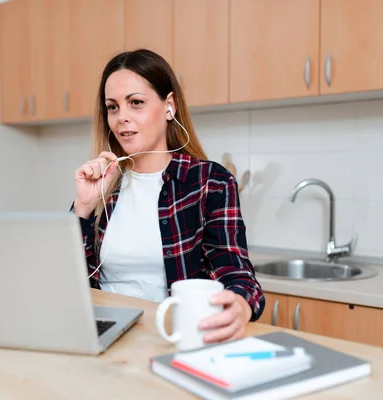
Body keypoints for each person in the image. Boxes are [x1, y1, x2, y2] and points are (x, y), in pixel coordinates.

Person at [71, 49, 265, 344]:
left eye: (136, 103)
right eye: (113, 107)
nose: (122, 117)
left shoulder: (210, 181)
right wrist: (83, 208)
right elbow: (67, 281)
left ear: (169, 106)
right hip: (102, 336)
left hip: (173, 337)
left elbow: (237, 274)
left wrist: (240, 302)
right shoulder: (104, 184)